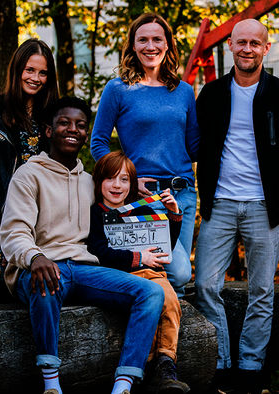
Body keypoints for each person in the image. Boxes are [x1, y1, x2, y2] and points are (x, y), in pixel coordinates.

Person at [0, 97, 165, 394]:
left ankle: (124, 383)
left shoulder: (89, 181)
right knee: (47, 280)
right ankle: (51, 383)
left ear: (86, 134)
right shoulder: (28, 175)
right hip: (38, 268)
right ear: (48, 130)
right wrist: (35, 257)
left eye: (80, 125)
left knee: (151, 292)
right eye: (64, 123)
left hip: (84, 269)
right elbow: (13, 232)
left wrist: (155, 201)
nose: (72, 130)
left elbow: (118, 209)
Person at [194, 18, 279, 393]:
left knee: (261, 289)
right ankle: (221, 360)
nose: (247, 49)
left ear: (266, 48)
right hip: (221, 204)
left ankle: (250, 364)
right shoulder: (211, 94)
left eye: (254, 43)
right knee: (205, 285)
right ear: (230, 45)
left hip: (266, 206)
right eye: (240, 42)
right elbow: (197, 146)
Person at [90, 13, 199, 298]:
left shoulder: (184, 91)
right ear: (133, 46)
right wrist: (128, 178)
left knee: (173, 275)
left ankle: (171, 335)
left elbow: (196, 146)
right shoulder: (118, 90)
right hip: (143, 195)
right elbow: (98, 143)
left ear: (168, 45)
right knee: (178, 271)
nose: (150, 46)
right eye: (143, 40)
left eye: (157, 39)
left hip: (183, 194)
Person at [87, 151, 190, 393]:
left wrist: (174, 215)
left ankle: (165, 363)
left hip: (153, 273)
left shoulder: (140, 211)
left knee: (171, 303)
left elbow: (164, 246)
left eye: (124, 180)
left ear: (132, 185)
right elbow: (100, 251)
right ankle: (157, 367)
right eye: (110, 178)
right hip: (121, 277)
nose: (116, 185)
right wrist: (138, 257)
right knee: (158, 300)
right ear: (98, 181)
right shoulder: (94, 214)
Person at [0, 38, 59, 303]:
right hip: (1, 223)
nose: (35, 78)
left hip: (46, 224)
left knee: (45, 295)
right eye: (29, 70)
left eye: (43, 72)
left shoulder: (54, 116)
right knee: (7, 302)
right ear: (17, 69)